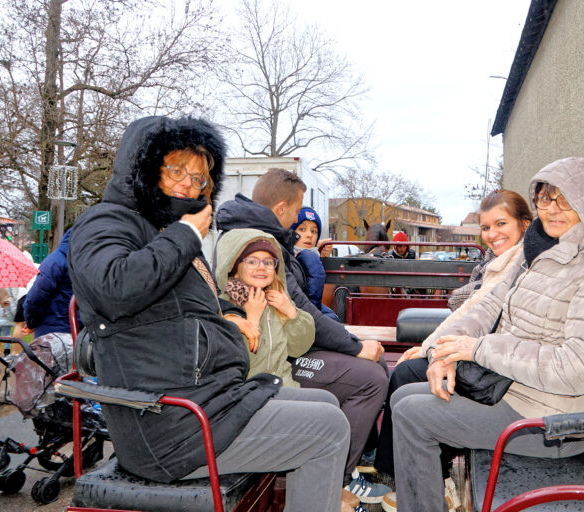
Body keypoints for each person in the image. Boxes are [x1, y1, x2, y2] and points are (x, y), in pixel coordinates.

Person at [67, 116, 352, 512]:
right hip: (167, 426)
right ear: (143, 167)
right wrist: (186, 235)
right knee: (329, 430)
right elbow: (114, 288)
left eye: (200, 178)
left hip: (208, 400)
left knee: (325, 404)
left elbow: (197, 303)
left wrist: (230, 315)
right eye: (177, 170)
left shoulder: (166, 230)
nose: (189, 184)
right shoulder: (106, 221)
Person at [386, 157, 584, 512]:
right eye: (545, 198)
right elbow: (486, 306)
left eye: (564, 199)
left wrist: (476, 349)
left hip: (555, 419)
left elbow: (578, 369)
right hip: (513, 390)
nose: (552, 209)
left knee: (413, 415)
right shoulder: (538, 252)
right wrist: (445, 352)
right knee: (403, 399)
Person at [217, 170, 392, 504]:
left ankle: (358, 462)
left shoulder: (265, 239)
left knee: (373, 366)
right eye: (297, 211)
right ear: (282, 207)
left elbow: (297, 312)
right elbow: (299, 311)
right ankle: (337, 478)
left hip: (289, 347)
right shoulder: (259, 245)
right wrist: (354, 347)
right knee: (369, 377)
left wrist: (348, 341)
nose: (297, 218)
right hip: (274, 365)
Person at [374, 190, 532, 510]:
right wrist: (430, 347)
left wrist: (434, 349)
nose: (492, 234)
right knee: (408, 374)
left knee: (408, 376)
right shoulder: (497, 260)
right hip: (479, 349)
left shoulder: (521, 263)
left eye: (501, 224)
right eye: (486, 228)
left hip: (494, 363)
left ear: (525, 225)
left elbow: (470, 307)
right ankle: (401, 472)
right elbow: (466, 308)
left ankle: (431, 474)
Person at [216, 229, 314, 386]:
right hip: (249, 394)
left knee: (329, 401)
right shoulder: (225, 308)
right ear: (234, 270)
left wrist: (291, 313)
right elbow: (232, 364)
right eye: (252, 261)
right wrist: (252, 320)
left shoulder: (278, 301)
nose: (261, 268)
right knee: (327, 410)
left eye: (268, 262)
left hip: (284, 385)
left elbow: (299, 349)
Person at [24, 228, 74, 339]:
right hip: (80, 330)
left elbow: (36, 297)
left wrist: (31, 322)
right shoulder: (90, 263)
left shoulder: (56, 260)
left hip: (52, 329)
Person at [289, 206, 337, 318]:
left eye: (314, 231)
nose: (309, 235)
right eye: (302, 229)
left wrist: (321, 255)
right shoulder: (304, 257)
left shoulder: (313, 255)